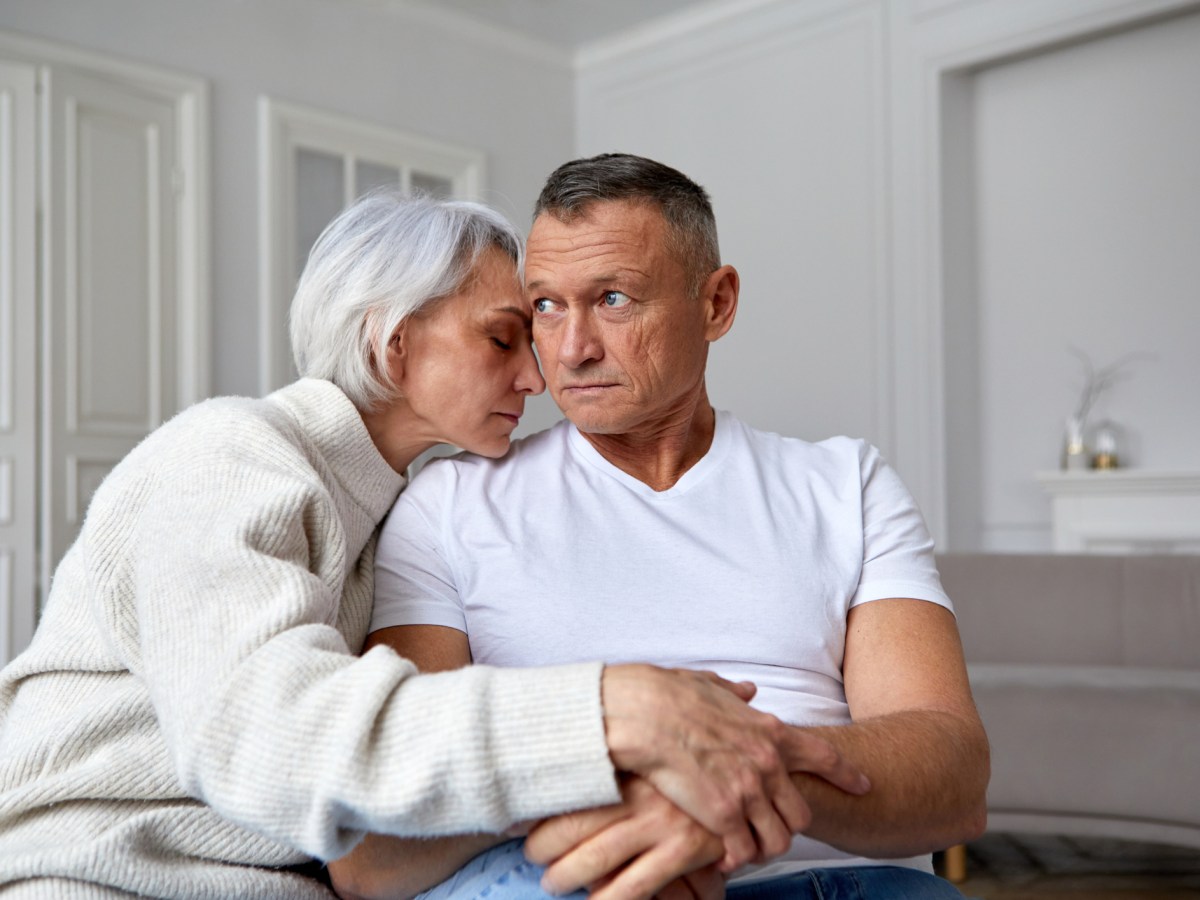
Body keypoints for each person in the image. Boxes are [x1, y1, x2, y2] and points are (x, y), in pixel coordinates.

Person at [0, 190, 868, 899]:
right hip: (104, 879)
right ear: (392, 338)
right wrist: (613, 714)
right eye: (504, 337)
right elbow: (264, 738)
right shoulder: (226, 454)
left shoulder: (391, 512)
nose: (538, 375)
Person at [334, 155, 990, 900]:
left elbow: (955, 775)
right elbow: (371, 852)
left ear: (716, 303)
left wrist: (734, 781)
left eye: (612, 299)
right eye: (545, 306)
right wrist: (614, 762)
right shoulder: (447, 505)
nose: (571, 350)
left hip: (840, 884)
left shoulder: (846, 485)